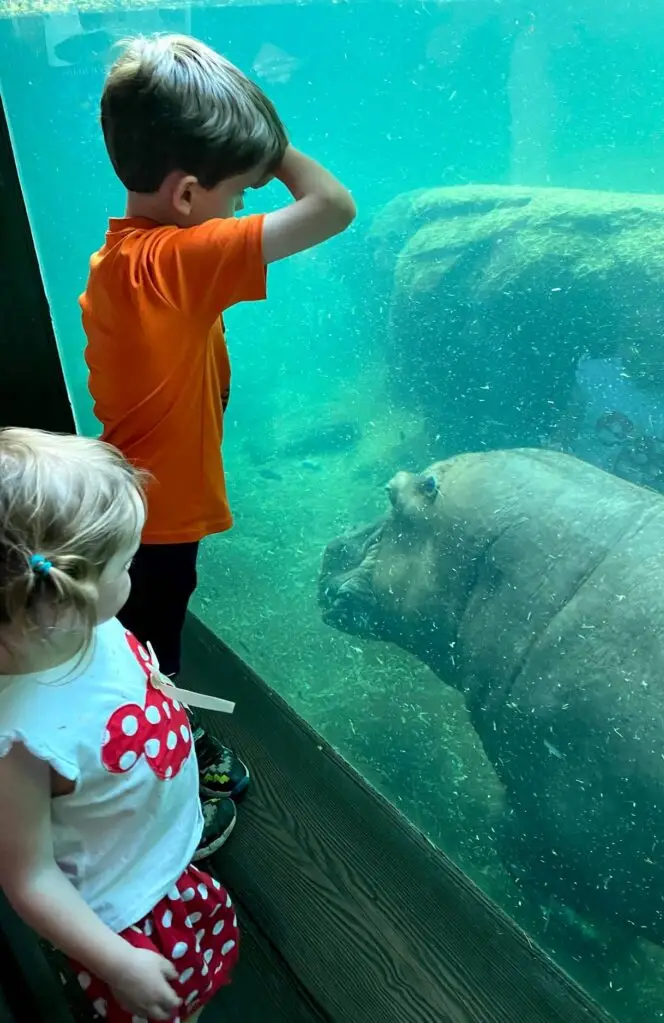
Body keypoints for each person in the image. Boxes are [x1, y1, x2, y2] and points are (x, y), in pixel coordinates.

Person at [80, 33, 356, 856]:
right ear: (192, 196)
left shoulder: (125, 257)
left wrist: (248, 154)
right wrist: (276, 149)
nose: (252, 201)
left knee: (138, 633)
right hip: (161, 520)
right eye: (242, 191)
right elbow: (334, 206)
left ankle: (142, 742)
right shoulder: (181, 260)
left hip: (134, 498)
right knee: (155, 649)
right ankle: (165, 793)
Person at [0, 426, 239, 1023]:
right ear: (61, 597)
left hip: (158, 849)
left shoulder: (84, 626)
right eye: (127, 562)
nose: (135, 571)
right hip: (125, 912)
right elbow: (28, 877)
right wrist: (116, 962)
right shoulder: (21, 739)